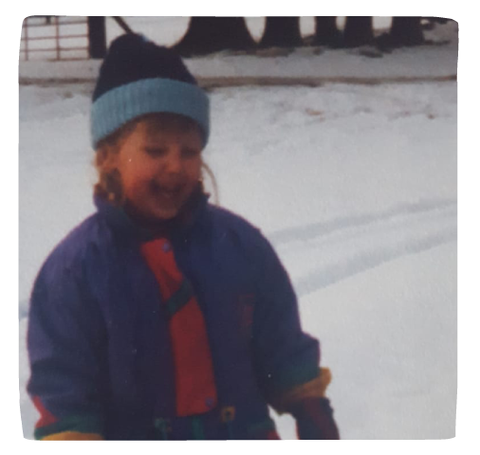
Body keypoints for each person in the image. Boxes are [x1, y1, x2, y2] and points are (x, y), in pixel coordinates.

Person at [26, 33, 340, 441]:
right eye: (155, 151)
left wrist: (309, 406)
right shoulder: (75, 271)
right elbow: (65, 390)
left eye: (189, 151)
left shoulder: (239, 245)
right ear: (108, 158)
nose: (176, 166)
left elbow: (280, 343)